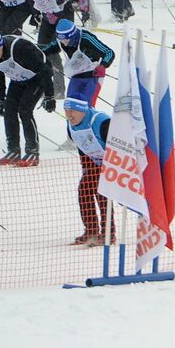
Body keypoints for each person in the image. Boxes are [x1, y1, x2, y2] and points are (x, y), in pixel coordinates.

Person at [0, 30, 55, 166]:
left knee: (25, 110)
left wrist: (49, 96)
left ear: (0, 46)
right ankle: (13, 150)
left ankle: (32, 152)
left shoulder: (20, 48)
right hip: (18, 78)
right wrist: (1, 99)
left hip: (38, 78)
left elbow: (45, 71)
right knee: (9, 111)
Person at [63, 96, 112, 245]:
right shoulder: (71, 125)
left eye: (72, 111)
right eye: (66, 111)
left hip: (113, 161)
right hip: (92, 161)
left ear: (83, 110)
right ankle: (91, 230)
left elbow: (118, 144)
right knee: (84, 191)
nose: (69, 115)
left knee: (103, 193)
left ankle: (108, 233)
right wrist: (86, 168)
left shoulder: (103, 122)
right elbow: (81, 146)